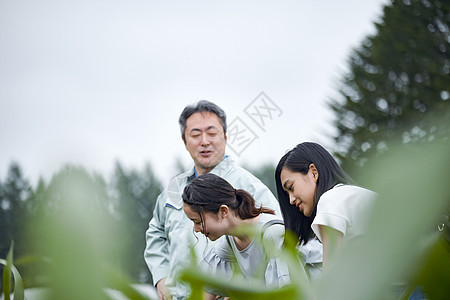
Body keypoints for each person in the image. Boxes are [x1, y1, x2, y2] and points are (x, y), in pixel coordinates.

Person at [144, 100, 282, 300]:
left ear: (225, 137)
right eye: (195, 134)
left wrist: (237, 291)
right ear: (184, 141)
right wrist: (161, 277)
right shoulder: (173, 189)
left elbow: (276, 243)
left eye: (211, 133)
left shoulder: (249, 185)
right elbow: (156, 232)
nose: (204, 141)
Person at [182, 173, 290, 299]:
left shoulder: (273, 233)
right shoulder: (230, 241)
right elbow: (204, 291)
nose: (196, 229)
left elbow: (285, 293)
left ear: (223, 211)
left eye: (198, 222)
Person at [275, 142, 377, 268]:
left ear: (313, 172)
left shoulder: (329, 201)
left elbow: (332, 277)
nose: (291, 200)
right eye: (287, 194)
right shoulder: (348, 196)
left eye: (291, 187)